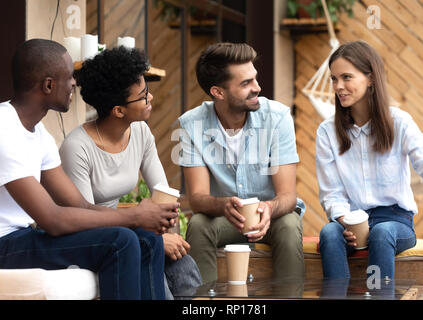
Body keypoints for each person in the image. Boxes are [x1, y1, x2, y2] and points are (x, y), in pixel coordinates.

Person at [0, 38, 180, 300]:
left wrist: (140, 220)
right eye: (69, 77)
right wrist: (133, 217)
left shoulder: (39, 134)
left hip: (23, 238)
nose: (74, 83)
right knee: (121, 242)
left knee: (147, 241)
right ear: (48, 85)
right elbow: (53, 219)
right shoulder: (5, 129)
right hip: (6, 244)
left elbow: (79, 205)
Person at [59, 46, 202, 299]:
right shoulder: (76, 148)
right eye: (143, 95)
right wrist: (155, 239)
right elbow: (83, 220)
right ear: (118, 110)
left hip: (128, 231)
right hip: (100, 239)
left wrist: (168, 236)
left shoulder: (140, 132)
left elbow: (164, 195)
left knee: (184, 268)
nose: (151, 99)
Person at [316, 40, 423, 280]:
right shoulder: (326, 132)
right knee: (329, 233)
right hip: (351, 221)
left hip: (396, 222)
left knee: (381, 232)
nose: (338, 86)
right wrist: (348, 224)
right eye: (334, 79)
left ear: (370, 78)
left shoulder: (400, 122)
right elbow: (332, 194)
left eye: (347, 77)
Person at [176, 42, 305, 283]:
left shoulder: (277, 118)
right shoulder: (191, 125)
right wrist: (223, 205)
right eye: (246, 84)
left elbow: (287, 195)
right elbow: (197, 198)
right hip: (224, 220)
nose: (257, 87)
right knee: (199, 224)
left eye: (254, 79)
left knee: (289, 223)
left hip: (272, 218)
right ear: (218, 92)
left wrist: (269, 209)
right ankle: (202, 304)